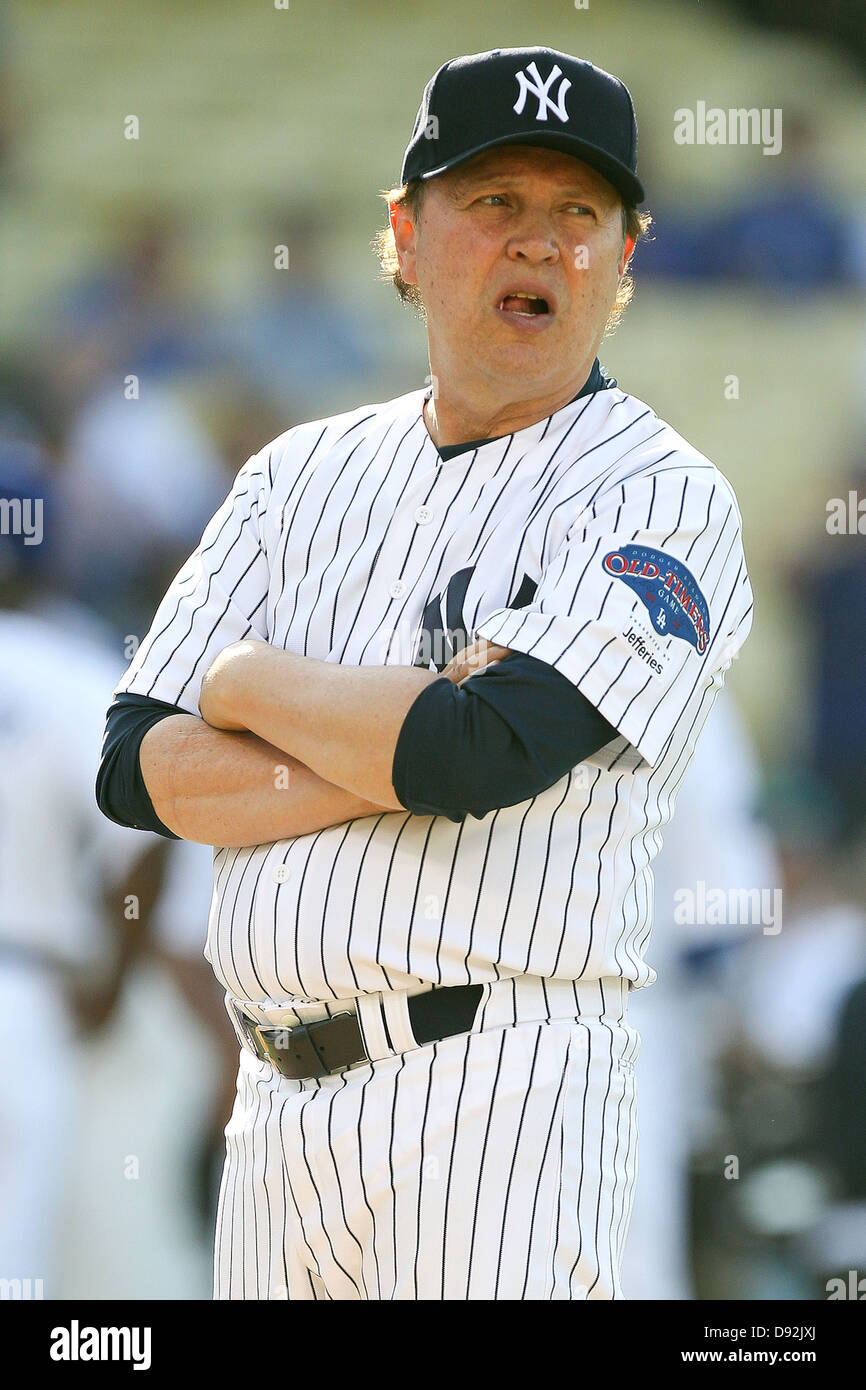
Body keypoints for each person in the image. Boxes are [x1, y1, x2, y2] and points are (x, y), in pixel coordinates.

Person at [97, 47, 753, 1301]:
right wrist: (390, 730)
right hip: (272, 1108)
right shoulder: (297, 474)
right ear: (406, 231)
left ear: (624, 255)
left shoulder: (659, 492)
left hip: (500, 1092)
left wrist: (239, 683)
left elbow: (476, 751)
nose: (539, 243)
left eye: (579, 213)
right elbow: (134, 763)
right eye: (495, 201)